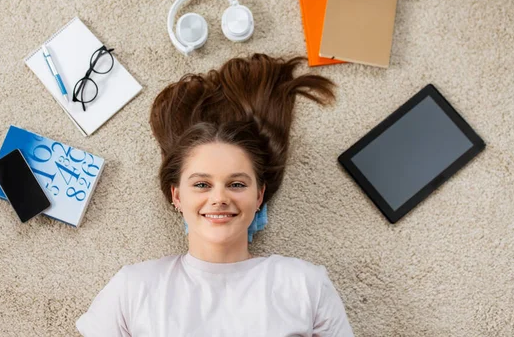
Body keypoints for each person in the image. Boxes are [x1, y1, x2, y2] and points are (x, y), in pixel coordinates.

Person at [76, 54, 354, 336]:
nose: (219, 197)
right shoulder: (132, 287)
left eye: (236, 184)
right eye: (201, 185)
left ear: (259, 197)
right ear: (177, 197)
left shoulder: (306, 284)